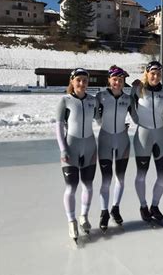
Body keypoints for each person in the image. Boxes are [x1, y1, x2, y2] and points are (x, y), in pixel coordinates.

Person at [55, 68, 98, 243]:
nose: (82, 84)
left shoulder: (93, 101)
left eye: (85, 81)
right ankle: (71, 221)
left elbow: (100, 119)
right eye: (78, 80)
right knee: (71, 188)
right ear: (72, 81)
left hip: (89, 147)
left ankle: (83, 216)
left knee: (88, 186)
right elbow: (58, 127)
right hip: (71, 148)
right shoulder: (65, 101)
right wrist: (63, 149)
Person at [95, 65, 134, 232]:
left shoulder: (128, 98)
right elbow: (96, 117)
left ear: (124, 81)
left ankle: (115, 208)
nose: (117, 82)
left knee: (121, 178)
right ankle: (104, 212)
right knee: (106, 179)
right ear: (109, 80)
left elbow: (138, 118)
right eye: (114, 79)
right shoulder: (100, 96)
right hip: (105, 140)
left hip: (123, 141)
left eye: (120, 79)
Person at [131, 61, 163, 224]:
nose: (155, 76)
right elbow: (130, 108)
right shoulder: (138, 88)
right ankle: (143, 206)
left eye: (158, 74)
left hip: (160, 135)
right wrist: (138, 122)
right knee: (142, 174)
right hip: (143, 135)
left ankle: (155, 205)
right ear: (147, 73)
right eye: (152, 73)